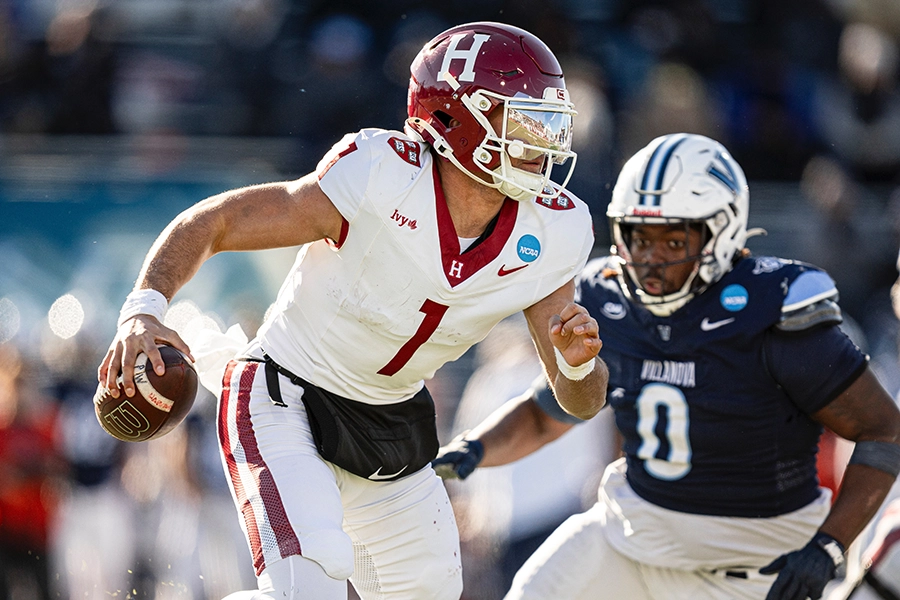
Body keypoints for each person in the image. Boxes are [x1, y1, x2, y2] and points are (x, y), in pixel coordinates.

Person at [97, 21, 608, 600]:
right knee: (307, 586)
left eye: (548, 123)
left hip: (391, 426)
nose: (542, 141)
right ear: (456, 117)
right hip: (285, 392)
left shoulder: (556, 227)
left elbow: (579, 401)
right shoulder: (381, 173)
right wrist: (143, 307)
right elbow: (219, 222)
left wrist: (578, 366)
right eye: (525, 120)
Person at [432, 133, 900, 600]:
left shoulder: (773, 310)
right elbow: (550, 410)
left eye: (674, 240)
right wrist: (473, 450)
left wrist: (828, 547)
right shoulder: (608, 299)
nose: (651, 260)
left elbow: (884, 431)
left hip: (750, 562)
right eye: (639, 237)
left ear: (721, 232)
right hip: (630, 538)